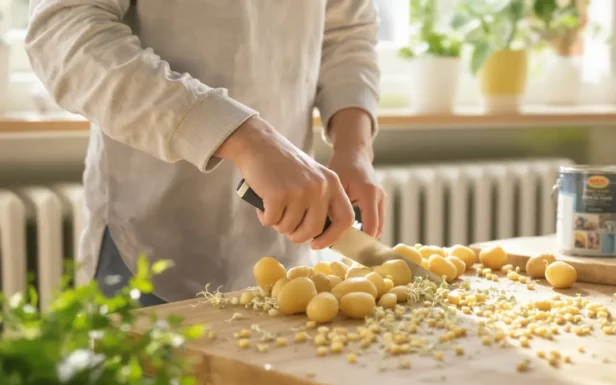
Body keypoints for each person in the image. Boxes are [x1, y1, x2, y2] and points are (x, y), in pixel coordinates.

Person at [25, 0, 386, 306]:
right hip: (145, 243)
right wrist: (244, 136)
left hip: (284, 253)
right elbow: (63, 33)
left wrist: (354, 146)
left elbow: (347, 32)